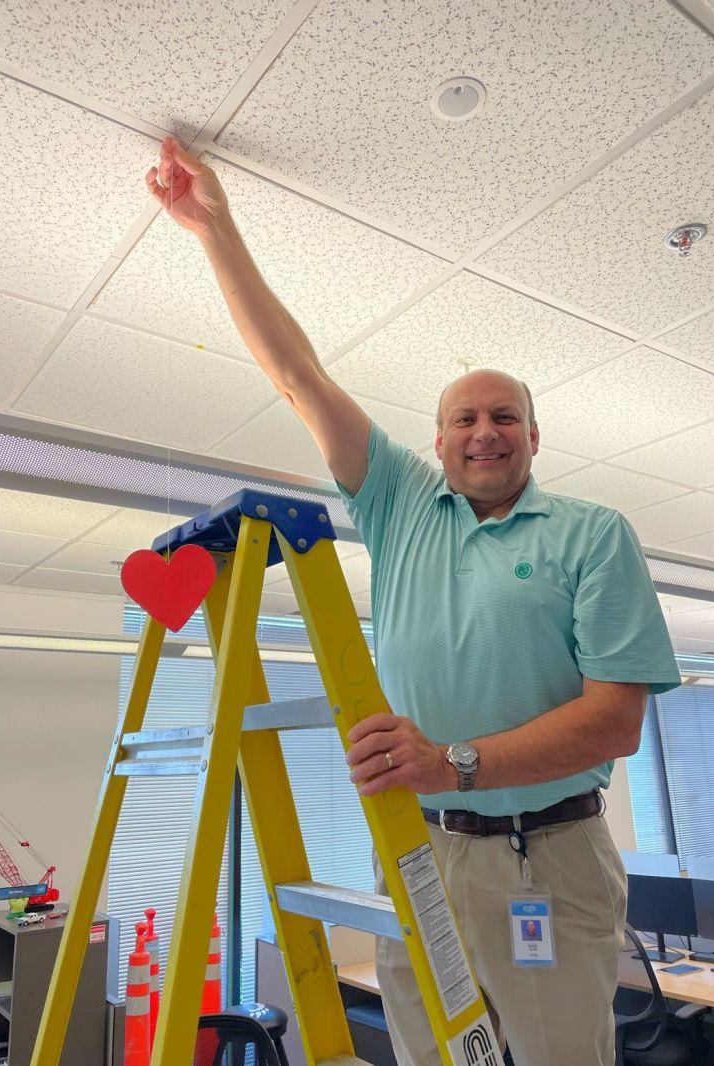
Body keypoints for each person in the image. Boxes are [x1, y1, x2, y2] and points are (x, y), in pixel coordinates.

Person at [146, 139, 682, 1066]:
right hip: (419, 847)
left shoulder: (593, 533)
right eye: (465, 418)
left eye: (503, 415)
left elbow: (613, 723)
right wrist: (216, 229)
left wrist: (450, 762)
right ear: (435, 441)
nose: (484, 431)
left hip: (546, 856)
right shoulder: (397, 502)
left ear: (534, 437)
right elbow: (298, 375)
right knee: (429, 1052)